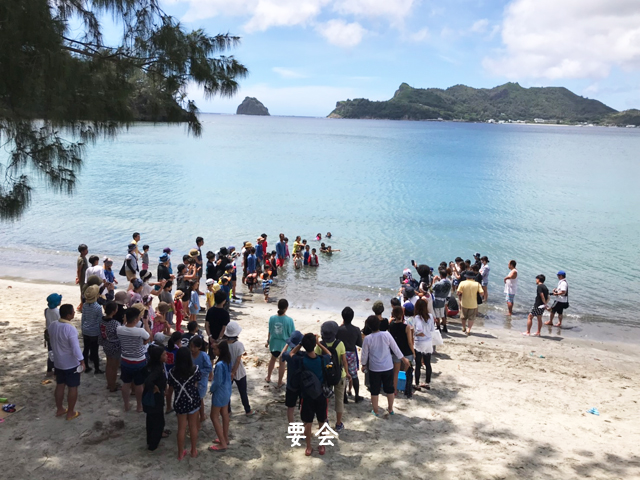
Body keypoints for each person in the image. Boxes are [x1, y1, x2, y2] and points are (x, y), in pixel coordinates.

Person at [286, 333, 333, 456]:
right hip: (321, 395)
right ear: (314, 345)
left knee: (307, 422)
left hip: (306, 395)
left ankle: (308, 447)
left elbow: (291, 354)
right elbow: (329, 354)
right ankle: (321, 446)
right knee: (322, 420)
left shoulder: (301, 361)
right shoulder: (322, 360)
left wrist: (300, 344)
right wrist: (318, 343)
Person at [361, 316, 409, 417]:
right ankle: (390, 409)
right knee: (389, 389)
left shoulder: (367, 339)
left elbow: (364, 354)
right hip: (388, 366)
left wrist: (364, 365)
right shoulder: (386, 335)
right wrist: (403, 359)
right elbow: (395, 348)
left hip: (374, 368)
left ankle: (376, 410)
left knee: (375, 390)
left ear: (369, 327)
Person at [49, 303, 85, 420]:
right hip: (70, 363)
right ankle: (70, 412)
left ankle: (60, 409)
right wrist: (82, 361)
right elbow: (75, 347)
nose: (74, 313)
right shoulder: (70, 328)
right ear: (69, 314)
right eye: (73, 312)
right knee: (72, 387)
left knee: (60, 385)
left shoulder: (53, 325)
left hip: (58, 362)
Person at [168, 347, 202, 460]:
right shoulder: (195, 369)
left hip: (179, 401)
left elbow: (171, 388)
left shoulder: (172, 372)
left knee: (181, 428)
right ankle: (193, 450)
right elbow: (197, 382)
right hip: (193, 401)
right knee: (193, 426)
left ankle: (180, 453)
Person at [315, 320, 349, 432]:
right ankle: (338, 424)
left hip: (325, 376)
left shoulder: (320, 345)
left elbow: (317, 358)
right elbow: (344, 361)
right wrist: (347, 373)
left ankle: (325, 420)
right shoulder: (340, 344)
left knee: (325, 399)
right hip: (339, 375)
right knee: (339, 400)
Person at [117, 307, 152, 412]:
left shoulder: (119, 329)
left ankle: (126, 405)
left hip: (125, 360)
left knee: (126, 384)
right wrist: (145, 323)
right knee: (139, 384)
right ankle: (139, 406)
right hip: (139, 361)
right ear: (137, 319)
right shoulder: (140, 331)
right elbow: (148, 338)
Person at [224, 321, 256, 416]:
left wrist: (231, 372)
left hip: (227, 370)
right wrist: (234, 372)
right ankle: (247, 410)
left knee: (227, 392)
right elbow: (238, 360)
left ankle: (228, 411)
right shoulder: (239, 345)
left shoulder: (224, 345)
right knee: (243, 392)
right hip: (239, 371)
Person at [208, 340, 233, 453]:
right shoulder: (228, 361)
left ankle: (223, 443)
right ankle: (225, 438)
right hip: (227, 390)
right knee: (225, 414)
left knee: (214, 416)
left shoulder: (219, 365)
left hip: (219, 393)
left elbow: (217, 382)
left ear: (220, 350)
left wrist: (211, 389)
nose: (213, 351)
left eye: (215, 349)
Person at [143, 345, 168, 451]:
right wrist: (155, 387)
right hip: (155, 399)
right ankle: (153, 444)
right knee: (158, 421)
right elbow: (148, 380)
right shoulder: (157, 369)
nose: (166, 356)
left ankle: (150, 440)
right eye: (164, 355)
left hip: (151, 398)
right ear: (158, 357)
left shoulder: (153, 365)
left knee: (150, 419)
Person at [336, 307, 363, 403]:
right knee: (354, 375)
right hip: (351, 353)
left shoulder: (338, 329)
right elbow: (360, 343)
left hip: (341, 353)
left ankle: (344, 397)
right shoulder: (356, 329)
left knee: (342, 375)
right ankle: (356, 396)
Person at [265, 299, 295, 387]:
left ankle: (268, 377)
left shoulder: (272, 318)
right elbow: (292, 334)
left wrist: (268, 341)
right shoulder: (289, 320)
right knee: (282, 363)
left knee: (272, 359)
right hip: (284, 345)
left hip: (274, 343)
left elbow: (270, 331)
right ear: (286, 308)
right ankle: (279, 382)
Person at [388, 306, 414, 398]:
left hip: (395, 351)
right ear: (402, 314)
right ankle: (407, 389)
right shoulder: (406, 327)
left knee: (396, 372)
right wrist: (413, 352)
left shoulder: (391, 325)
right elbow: (410, 342)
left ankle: (395, 390)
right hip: (406, 351)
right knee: (408, 371)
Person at [280, 330, 304, 422]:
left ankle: (292, 430)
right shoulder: (303, 356)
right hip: (302, 385)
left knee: (290, 408)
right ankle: (303, 431)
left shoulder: (288, 356)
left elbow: (282, 355)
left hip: (291, 385)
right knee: (303, 407)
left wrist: (287, 344)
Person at [190, 336, 212, 425]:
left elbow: (208, 368)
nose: (192, 349)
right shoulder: (189, 355)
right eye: (191, 346)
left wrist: (196, 372)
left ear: (199, 347)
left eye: (194, 347)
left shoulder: (203, 355)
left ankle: (202, 416)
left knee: (200, 399)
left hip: (201, 381)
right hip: (191, 381)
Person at [99, 301, 121, 392]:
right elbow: (119, 334)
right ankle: (112, 385)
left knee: (109, 365)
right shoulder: (115, 323)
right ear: (114, 311)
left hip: (106, 344)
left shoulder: (101, 320)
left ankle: (109, 383)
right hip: (115, 346)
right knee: (114, 367)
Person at [81, 285, 103, 374]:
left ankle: (86, 366)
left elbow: (83, 319)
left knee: (86, 349)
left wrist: (83, 329)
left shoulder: (85, 305)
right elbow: (99, 321)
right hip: (94, 332)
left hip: (86, 330)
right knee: (95, 351)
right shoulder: (98, 307)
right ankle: (97, 369)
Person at [413, 299, 435, 390]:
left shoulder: (417, 317)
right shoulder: (430, 316)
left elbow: (419, 329)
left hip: (419, 342)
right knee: (428, 363)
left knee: (418, 364)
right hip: (428, 342)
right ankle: (427, 382)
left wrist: (415, 334)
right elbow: (432, 330)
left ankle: (417, 384)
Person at [45, 293, 62, 376]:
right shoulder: (58, 312)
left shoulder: (46, 310)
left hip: (49, 334)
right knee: (57, 352)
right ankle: (56, 370)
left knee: (50, 352)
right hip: (57, 334)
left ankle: (49, 369)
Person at [76, 244, 89, 312]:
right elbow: (79, 270)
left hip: (85, 278)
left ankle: (81, 305)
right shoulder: (81, 259)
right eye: (86, 250)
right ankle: (81, 306)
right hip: (83, 278)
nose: (87, 251)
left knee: (84, 292)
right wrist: (78, 278)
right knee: (83, 293)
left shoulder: (84, 258)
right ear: (82, 251)